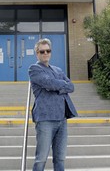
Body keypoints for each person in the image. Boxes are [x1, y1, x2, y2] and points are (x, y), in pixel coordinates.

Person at [28, 38, 78, 171]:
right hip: (45, 119)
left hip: (61, 119)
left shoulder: (58, 70)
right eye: (42, 51)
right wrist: (61, 85)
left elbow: (71, 87)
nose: (45, 53)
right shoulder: (34, 69)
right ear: (37, 53)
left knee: (60, 159)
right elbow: (48, 83)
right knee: (41, 159)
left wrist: (56, 85)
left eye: (48, 51)